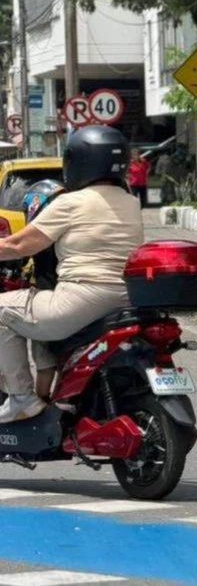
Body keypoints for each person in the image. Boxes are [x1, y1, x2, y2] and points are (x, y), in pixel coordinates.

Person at [0, 125, 144, 423]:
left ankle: (22, 398)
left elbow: (18, 245)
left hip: (80, 301)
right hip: (128, 300)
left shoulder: (70, 202)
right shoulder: (130, 201)